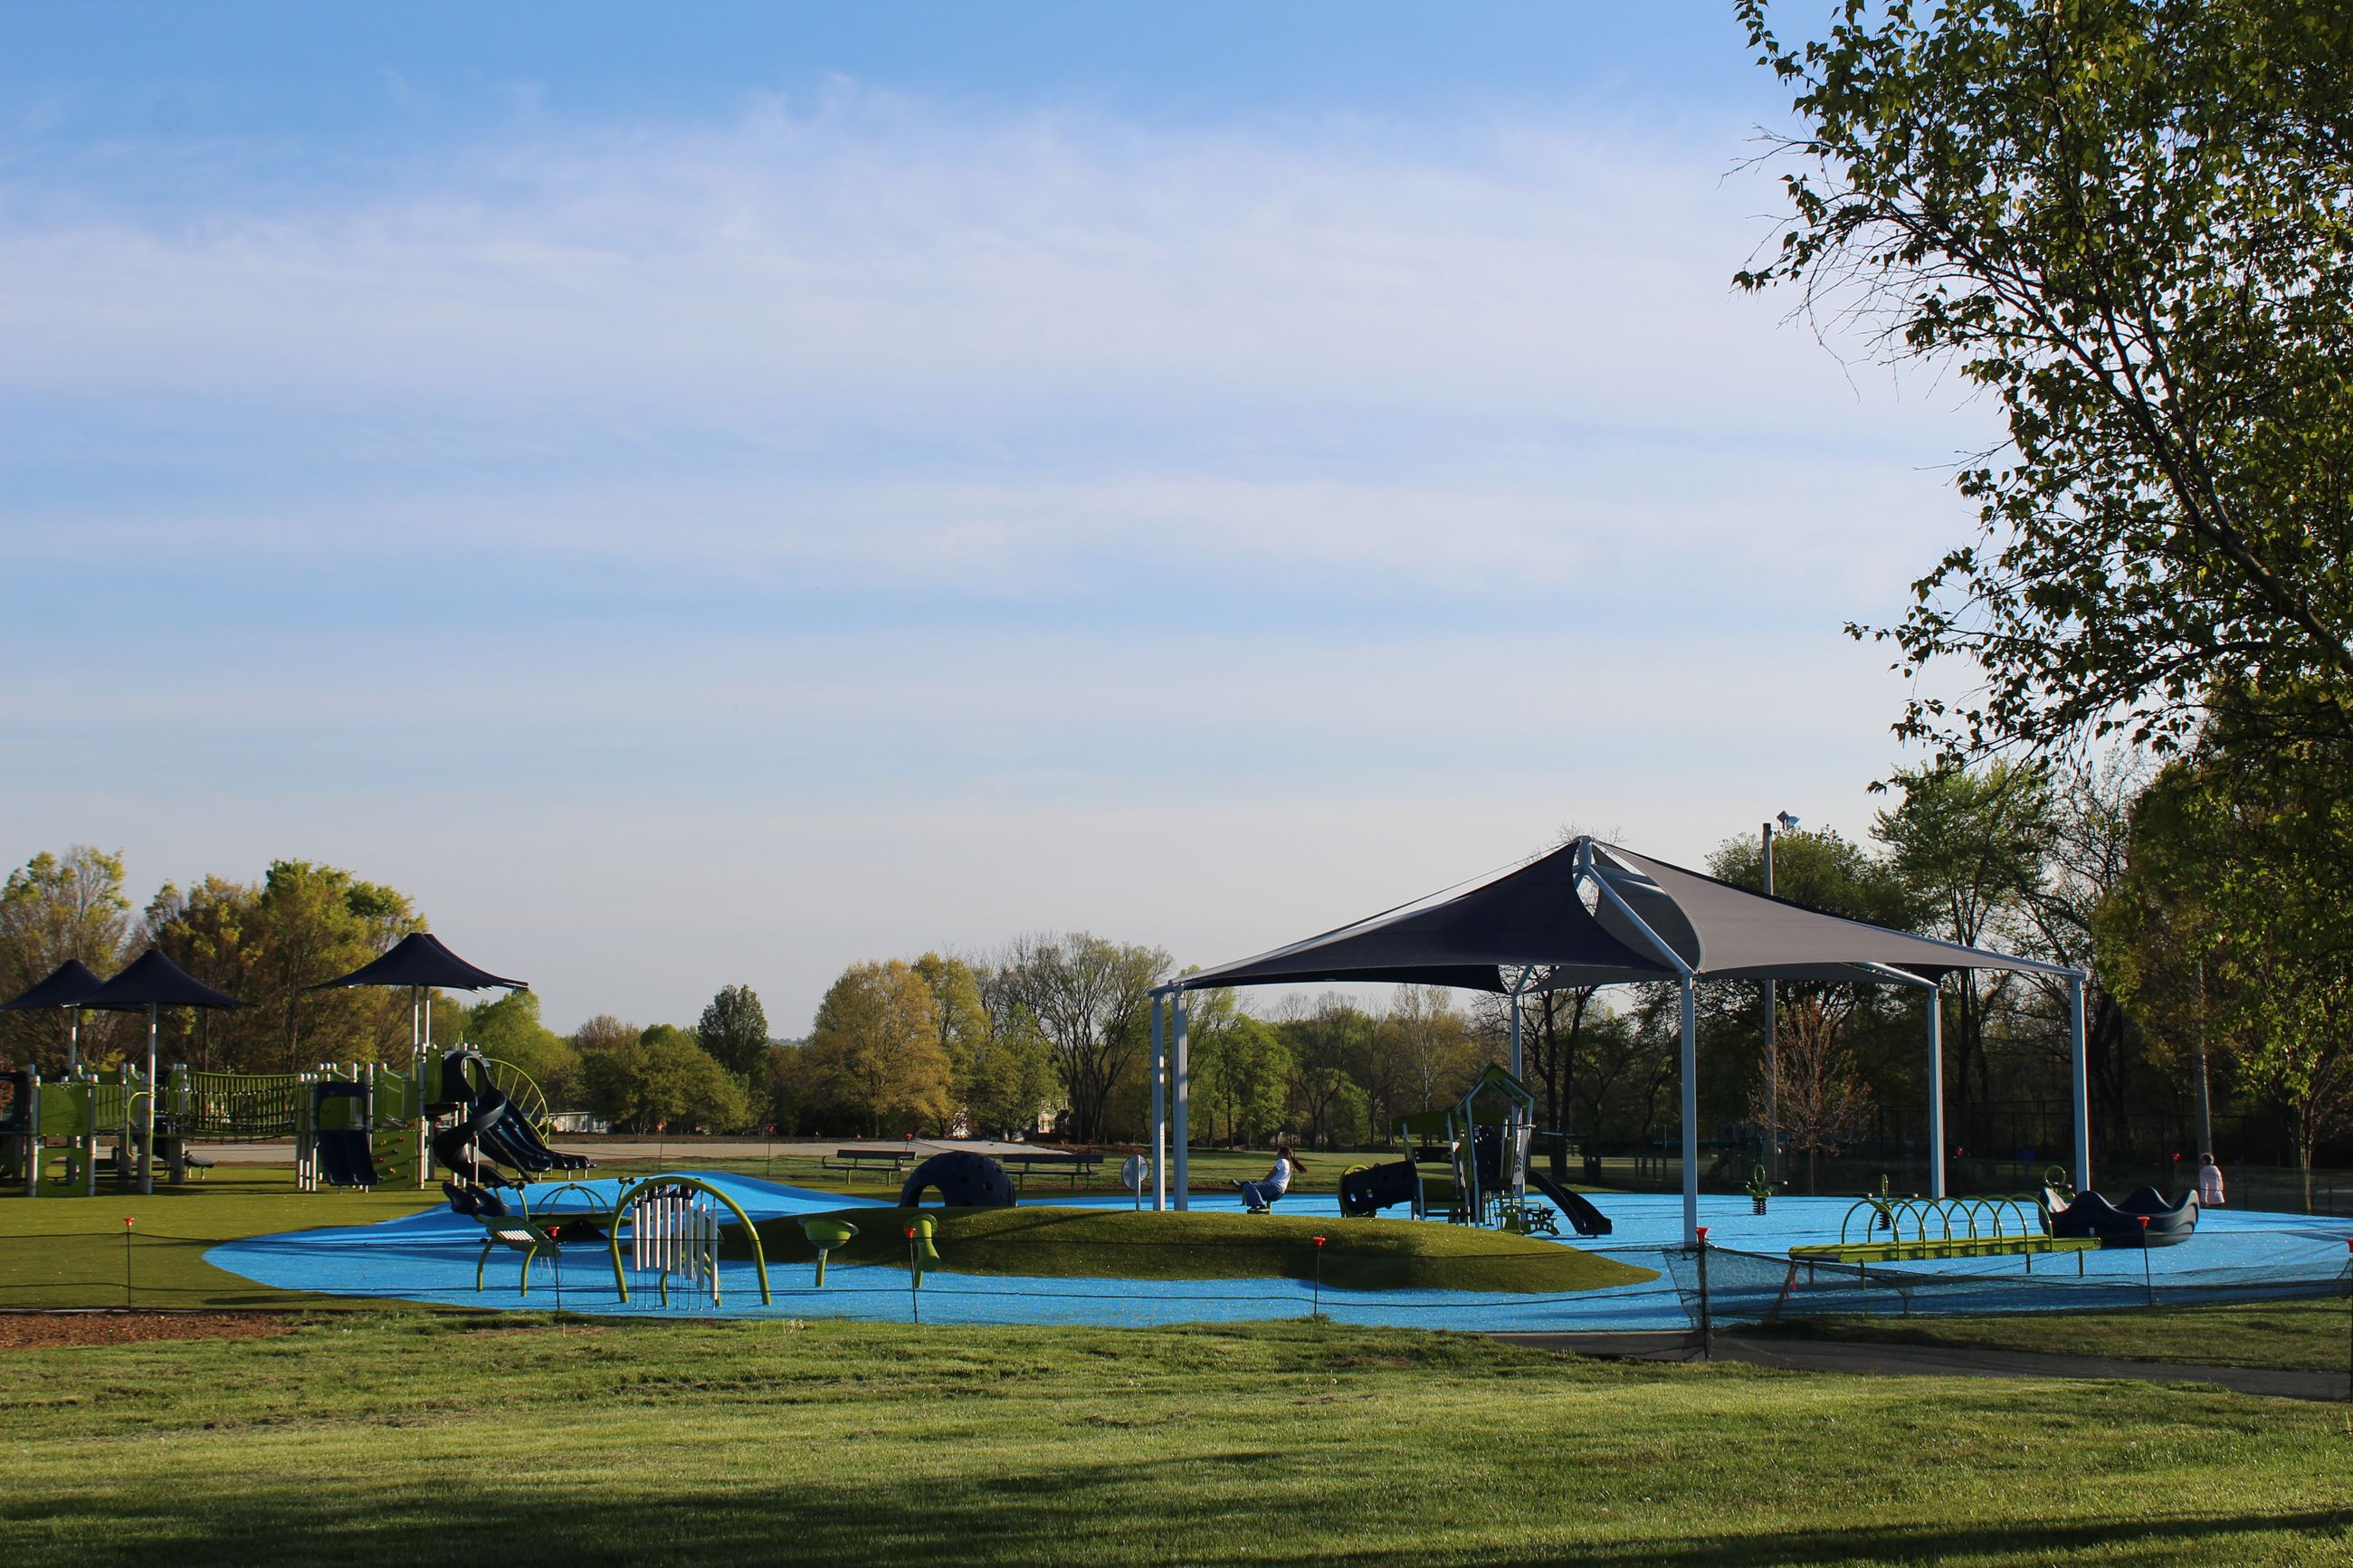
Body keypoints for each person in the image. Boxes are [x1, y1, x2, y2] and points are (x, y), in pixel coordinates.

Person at [1234, 1145, 1304, 1212]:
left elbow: (1272, 1173)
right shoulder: (1287, 1163)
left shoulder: (1281, 1161)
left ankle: (1262, 1206)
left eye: (1278, 1152)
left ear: (1282, 1154)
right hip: (1278, 1191)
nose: (1277, 1154)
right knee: (1248, 1186)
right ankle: (1254, 1206)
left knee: (1252, 1186)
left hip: (1275, 1188)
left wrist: (1263, 1182)